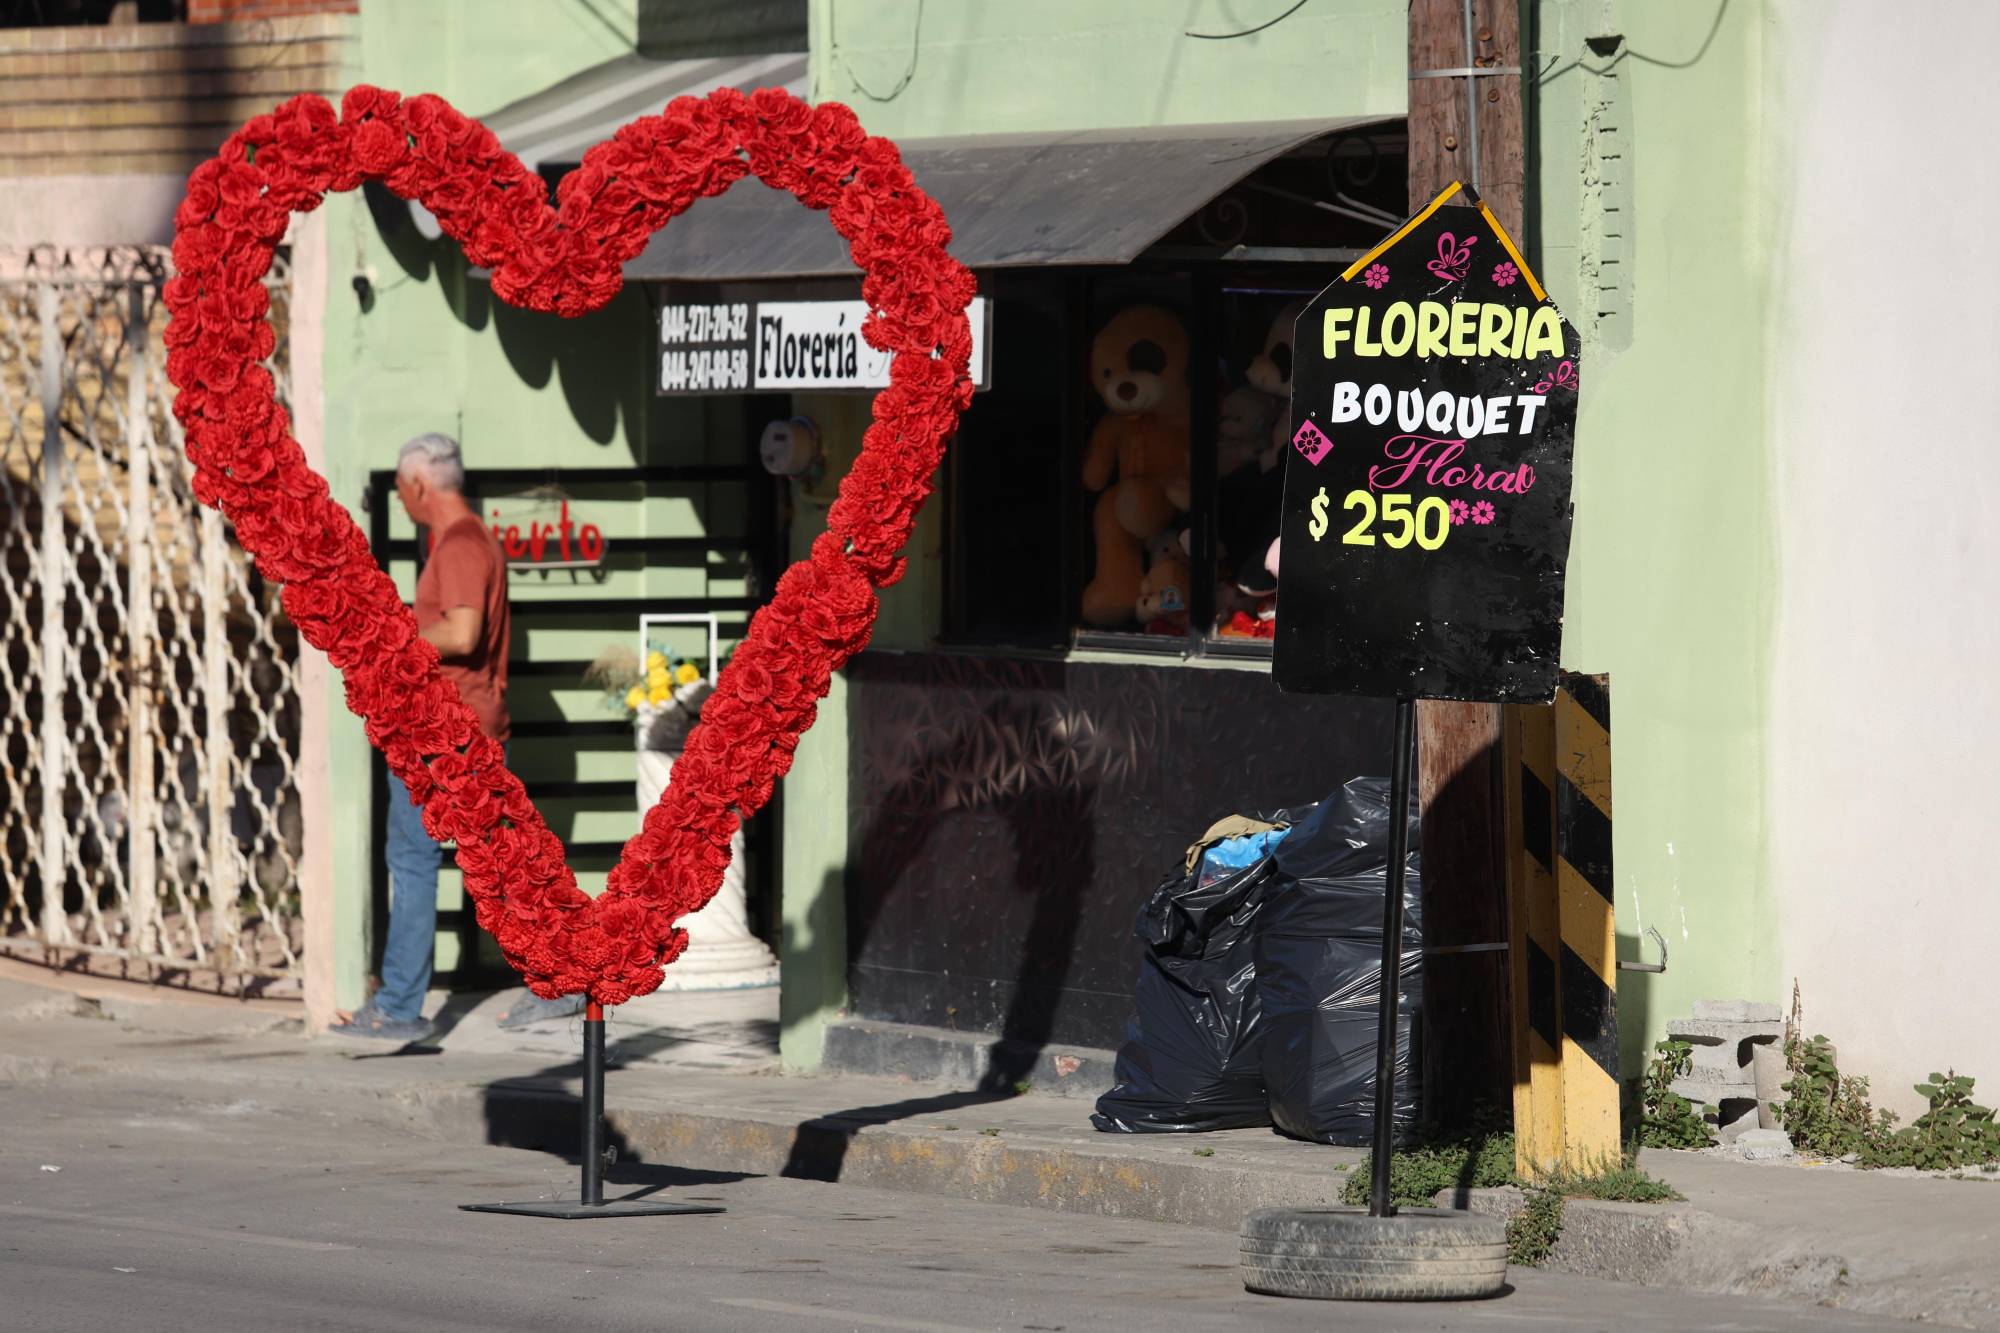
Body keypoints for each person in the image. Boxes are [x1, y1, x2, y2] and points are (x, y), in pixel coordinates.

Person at [330, 433, 570, 1039]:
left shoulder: (460, 545)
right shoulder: (471, 540)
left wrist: (389, 637)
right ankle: (559, 980)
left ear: (417, 486)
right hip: (466, 726)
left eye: (403, 489)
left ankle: (399, 1008)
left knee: (414, 860)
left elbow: (461, 634)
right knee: (498, 859)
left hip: (447, 729)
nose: (404, 500)